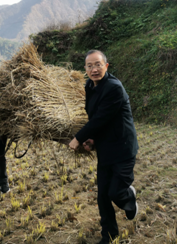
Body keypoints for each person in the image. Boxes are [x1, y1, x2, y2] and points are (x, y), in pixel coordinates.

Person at [69, 50, 139, 243]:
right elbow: (96, 118)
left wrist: (78, 137)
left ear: (106, 66)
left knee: (115, 192)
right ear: (85, 69)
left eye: (98, 64)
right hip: (105, 148)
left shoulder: (114, 87)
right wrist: (91, 139)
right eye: (90, 66)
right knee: (102, 197)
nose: (94, 69)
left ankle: (128, 197)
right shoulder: (90, 86)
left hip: (123, 148)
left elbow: (101, 118)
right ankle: (109, 236)